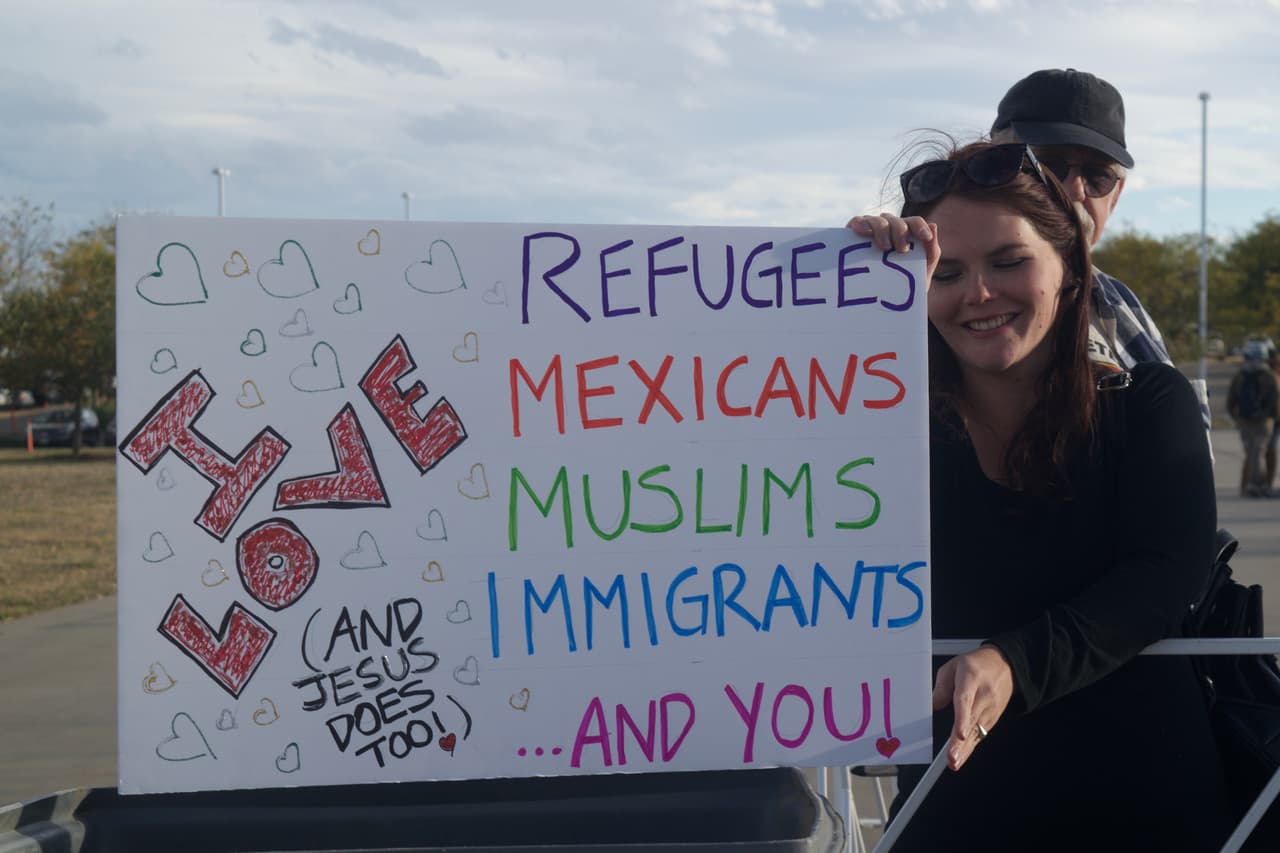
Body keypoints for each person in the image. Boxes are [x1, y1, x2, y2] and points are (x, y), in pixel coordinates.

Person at [849, 140, 1231, 850]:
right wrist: (850, 305)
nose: (979, 294)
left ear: (1070, 267)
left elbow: (1163, 577)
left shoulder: (1148, 404)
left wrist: (1011, 662)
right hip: (952, 802)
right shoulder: (885, 431)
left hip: (1142, 802)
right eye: (947, 272)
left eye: (1008, 261)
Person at [989, 69, 1214, 433]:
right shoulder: (918, 289)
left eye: (1097, 175)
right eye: (1050, 165)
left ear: (1116, 194)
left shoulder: (1122, 303)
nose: (1075, 190)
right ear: (991, 165)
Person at [1227, 341, 1278, 497]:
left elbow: (1231, 400)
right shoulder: (1269, 375)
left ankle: (1252, 485)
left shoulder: (1241, 375)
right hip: (1264, 421)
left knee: (1252, 453)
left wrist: (1237, 418)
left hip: (1245, 420)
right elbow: (1275, 399)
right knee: (1259, 452)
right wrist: (1272, 417)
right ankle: (1260, 485)